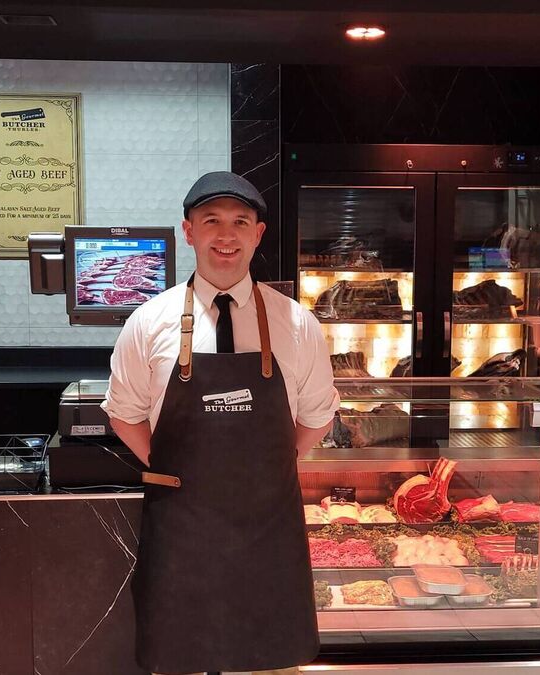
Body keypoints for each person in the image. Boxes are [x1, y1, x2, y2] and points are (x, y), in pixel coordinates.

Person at [102, 171, 339, 675]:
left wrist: (269, 467)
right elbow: (124, 415)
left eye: (240, 222)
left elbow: (317, 418)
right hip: (182, 535)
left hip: (268, 536)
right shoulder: (148, 322)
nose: (226, 235)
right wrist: (174, 468)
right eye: (211, 221)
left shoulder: (298, 324)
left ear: (258, 234)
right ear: (189, 231)